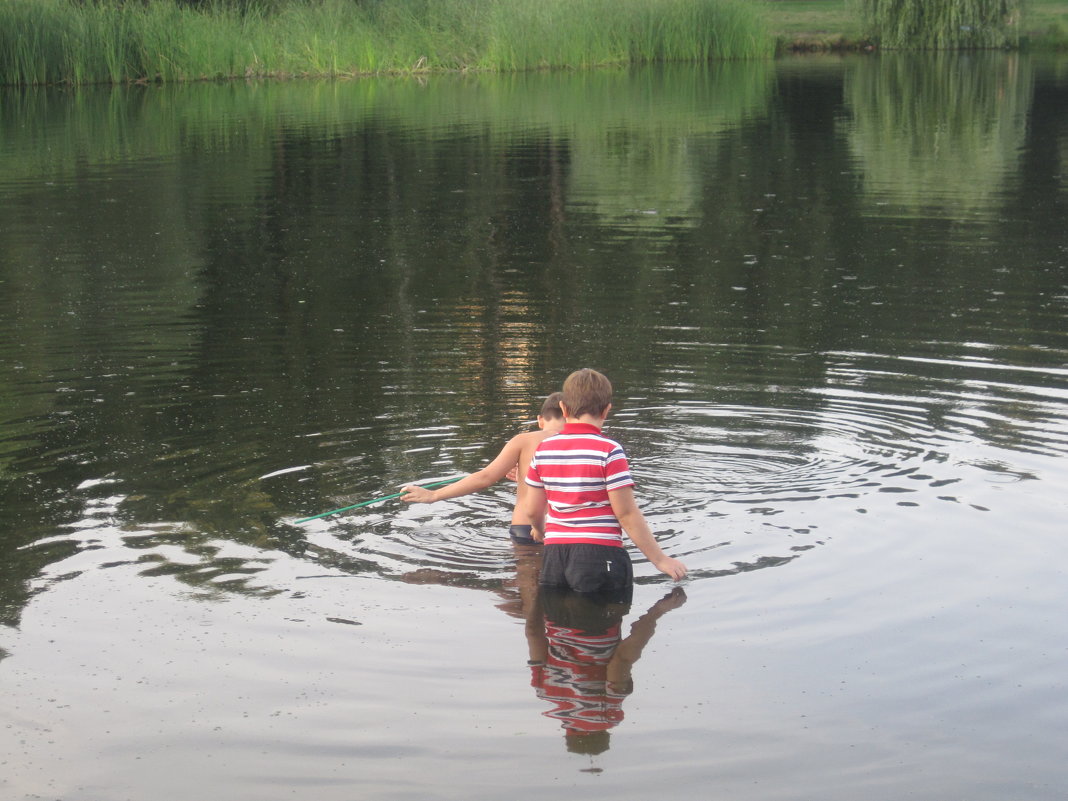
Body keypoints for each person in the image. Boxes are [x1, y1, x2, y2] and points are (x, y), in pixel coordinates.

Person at [523, 368, 687, 600]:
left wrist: (540, 531)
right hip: (599, 555)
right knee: (601, 630)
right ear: (607, 410)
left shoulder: (543, 450)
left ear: (563, 408)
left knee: (558, 628)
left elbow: (532, 510)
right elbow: (627, 514)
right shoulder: (609, 450)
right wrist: (660, 559)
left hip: (554, 556)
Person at [400, 392, 565, 545]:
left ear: (540, 419)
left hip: (525, 528)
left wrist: (433, 495)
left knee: (525, 574)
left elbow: (485, 478)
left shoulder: (523, 440)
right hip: (568, 530)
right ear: (572, 417)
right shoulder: (585, 443)